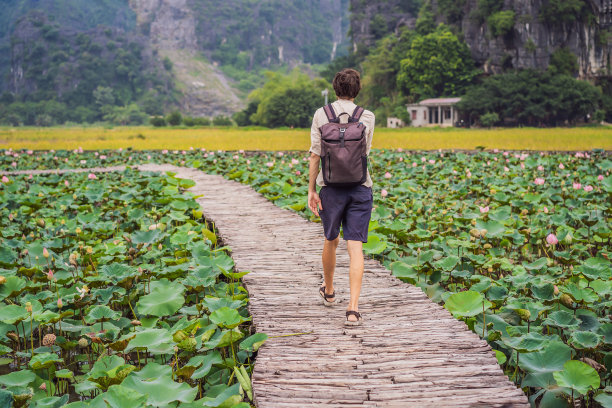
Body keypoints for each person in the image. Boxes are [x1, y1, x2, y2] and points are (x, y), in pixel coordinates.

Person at [307, 68, 375, 326]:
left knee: (330, 238)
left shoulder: (321, 115)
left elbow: (315, 155)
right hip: (360, 187)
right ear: (357, 90)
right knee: (355, 246)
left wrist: (312, 190)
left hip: (330, 187)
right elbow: (365, 151)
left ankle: (330, 290)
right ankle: (353, 309)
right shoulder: (367, 116)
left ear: (335, 89)